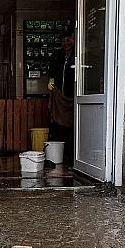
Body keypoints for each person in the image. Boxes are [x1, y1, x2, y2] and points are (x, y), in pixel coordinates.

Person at [48, 30, 75, 165]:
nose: (66, 44)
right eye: (63, 41)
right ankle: (61, 156)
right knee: (59, 127)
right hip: (60, 97)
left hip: (74, 96)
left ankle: (72, 157)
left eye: (68, 40)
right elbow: (52, 70)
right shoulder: (58, 57)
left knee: (73, 127)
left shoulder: (78, 55)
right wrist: (51, 79)